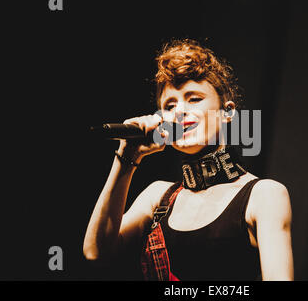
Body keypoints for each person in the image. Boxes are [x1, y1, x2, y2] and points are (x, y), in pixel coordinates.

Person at [83, 39, 293, 281]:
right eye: (170, 105)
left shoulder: (263, 195)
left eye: (194, 99)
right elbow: (95, 253)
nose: (180, 111)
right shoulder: (157, 197)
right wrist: (128, 155)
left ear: (227, 112)